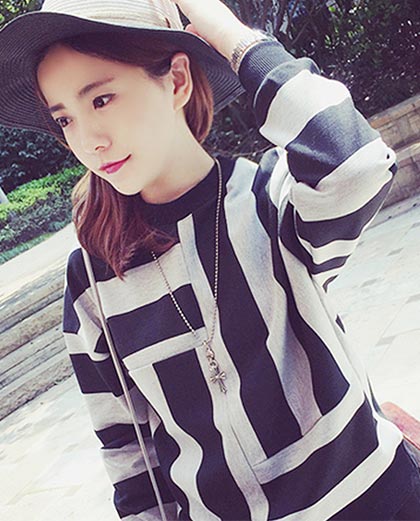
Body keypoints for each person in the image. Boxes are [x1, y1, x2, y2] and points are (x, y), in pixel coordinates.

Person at [1, 0, 419, 519]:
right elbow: (130, 459)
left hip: (376, 502)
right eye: (65, 118)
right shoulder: (92, 278)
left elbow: (355, 165)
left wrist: (217, 24)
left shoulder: (269, 200)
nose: (89, 141)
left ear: (177, 80)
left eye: (102, 99)